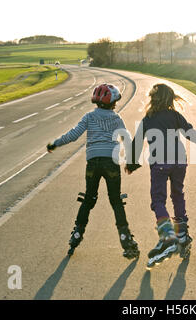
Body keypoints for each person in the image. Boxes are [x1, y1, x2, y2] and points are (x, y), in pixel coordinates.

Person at [47, 83, 139, 259]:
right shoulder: (116, 118)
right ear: (113, 102)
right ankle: (126, 240)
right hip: (111, 162)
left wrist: (55, 143)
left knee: (89, 199)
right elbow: (126, 139)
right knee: (116, 201)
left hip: (93, 163)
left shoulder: (89, 117)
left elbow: (73, 135)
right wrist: (131, 162)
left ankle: (76, 234)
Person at [125, 83, 196, 269]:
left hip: (160, 164)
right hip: (179, 161)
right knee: (177, 194)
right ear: (170, 99)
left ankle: (168, 237)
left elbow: (137, 142)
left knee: (158, 200)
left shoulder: (148, 119)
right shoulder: (175, 115)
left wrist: (132, 164)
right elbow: (189, 131)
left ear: (153, 99)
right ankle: (181, 234)